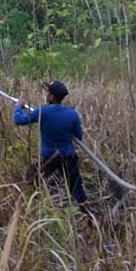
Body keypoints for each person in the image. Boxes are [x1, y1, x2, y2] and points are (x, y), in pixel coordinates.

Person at [14, 81, 88, 211]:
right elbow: (78, 137)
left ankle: (27, 207)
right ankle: (87, 217)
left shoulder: (42, 112)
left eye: (48, 93)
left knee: (31, 178)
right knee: (76, 189)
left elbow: (19, 120)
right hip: (68, 156)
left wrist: (18, 107)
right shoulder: (72, 114)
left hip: (50, 158)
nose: (46, 94)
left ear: (52, 97)